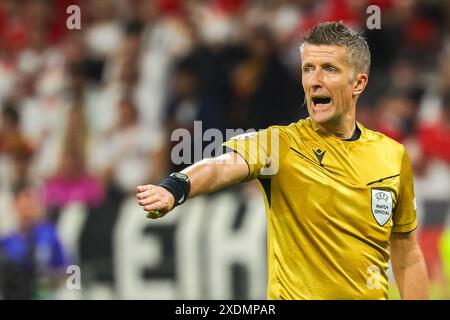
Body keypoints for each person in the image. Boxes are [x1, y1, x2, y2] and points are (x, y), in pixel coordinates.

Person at [136, 21, 429, 300]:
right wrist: (176, 187)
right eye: (308, 69)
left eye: (329, 69)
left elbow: (406, 254)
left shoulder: (392, 156)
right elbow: (220, 166)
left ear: (358, 83)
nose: (315, 81)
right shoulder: (280, 144)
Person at [0, 182, 68, 299]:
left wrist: (44, 276)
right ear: (15, 206)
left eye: (31, 202)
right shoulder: (6, 241)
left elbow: (66, 270)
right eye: (23, 204)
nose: (27, 207)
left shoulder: (49, 234)